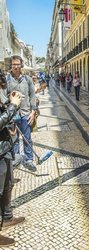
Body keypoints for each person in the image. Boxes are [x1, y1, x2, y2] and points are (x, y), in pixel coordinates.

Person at [0, 72, 25, 247]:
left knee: (8, 184)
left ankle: (7, 217)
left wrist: (9, 103)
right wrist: (13, 107)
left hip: (4, 147)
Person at [6, 55, 38, 172]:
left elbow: (32, 96)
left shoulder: (27, 79)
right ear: (11, 65)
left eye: (17, 64)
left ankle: (29, 159)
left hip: (25, 113)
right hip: (12, 115)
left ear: (21, 65)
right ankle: (16, 159)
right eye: (14, 64)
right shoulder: (7, 80)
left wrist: (33, 112)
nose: (15, 67)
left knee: (27, 138)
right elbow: (4, 96)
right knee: (14, 139)